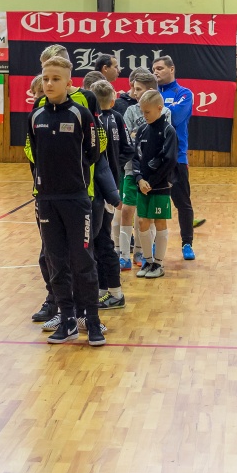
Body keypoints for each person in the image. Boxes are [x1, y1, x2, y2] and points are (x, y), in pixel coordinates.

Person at [27, 55, 104, 345]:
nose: (49, 84)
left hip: (76, 199)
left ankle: (92, 320)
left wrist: (74, 178)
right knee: (55, 261)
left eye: (56, 79)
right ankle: (67, 319)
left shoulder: (81, 115)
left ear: (69, 83)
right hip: (46, 199)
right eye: (46, 78)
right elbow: (34, 152)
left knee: (83, 261)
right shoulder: (35, 116)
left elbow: (93, 153)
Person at [153, 56, 204, 261]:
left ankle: (187, 243)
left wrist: (156, 110)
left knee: (183, 203)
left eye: (160, 68)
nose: (156, 72)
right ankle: (152, 245)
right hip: (154, 158)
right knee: (153, 203)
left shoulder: (184, 93)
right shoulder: (152, 93)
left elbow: (175, 117)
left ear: (172, 69)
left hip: (177, 157)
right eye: (154, 69)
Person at [119, 69, 169, 269]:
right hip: (132, 168)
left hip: (152, 174)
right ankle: (124, 254)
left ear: (149, 91)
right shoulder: (131, 111)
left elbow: (162, 141)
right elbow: (128, 139)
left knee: (145, 215)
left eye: (138, 89)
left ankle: (141, 253)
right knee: (126, 210)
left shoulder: (165, 113)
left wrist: (137, 136)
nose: (133, 92)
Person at [93, 80, 132, 308]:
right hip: (111, 184)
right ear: (113, 99)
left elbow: (122, 151)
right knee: (100, 240)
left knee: (102, 241)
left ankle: (114, 292)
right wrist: (115, 167)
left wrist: (110, 167)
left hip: (103, 189)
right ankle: (103, 290)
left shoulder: (97, 121)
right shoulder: (117, 117)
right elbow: (128, 149)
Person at [133, 90, 179, 279]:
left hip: (159, 186)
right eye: (142, 111)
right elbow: (135, 157)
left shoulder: (168, 131)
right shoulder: (142, 130)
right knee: (142, 222)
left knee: (159, 221)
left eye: (147, 112)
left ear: (159, 108)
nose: (144, 115)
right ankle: (148, 261)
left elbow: (169, 160)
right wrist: (139, 179)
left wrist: (151, 182)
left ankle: (158, 264)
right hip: (142, 185)